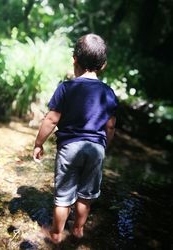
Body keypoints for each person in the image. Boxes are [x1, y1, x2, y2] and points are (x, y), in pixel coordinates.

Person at [33, 33, 118, 244]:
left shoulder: (66, 88)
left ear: (74, 59)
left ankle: (56, 234)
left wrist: (38, 143)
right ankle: (78, 230)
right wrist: (104, 146)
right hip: (96, 149)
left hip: (70, 148)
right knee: (86, 196)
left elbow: (51, 119)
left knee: (63, 198)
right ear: (103, 65)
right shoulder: (108, 93)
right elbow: (111, 125)